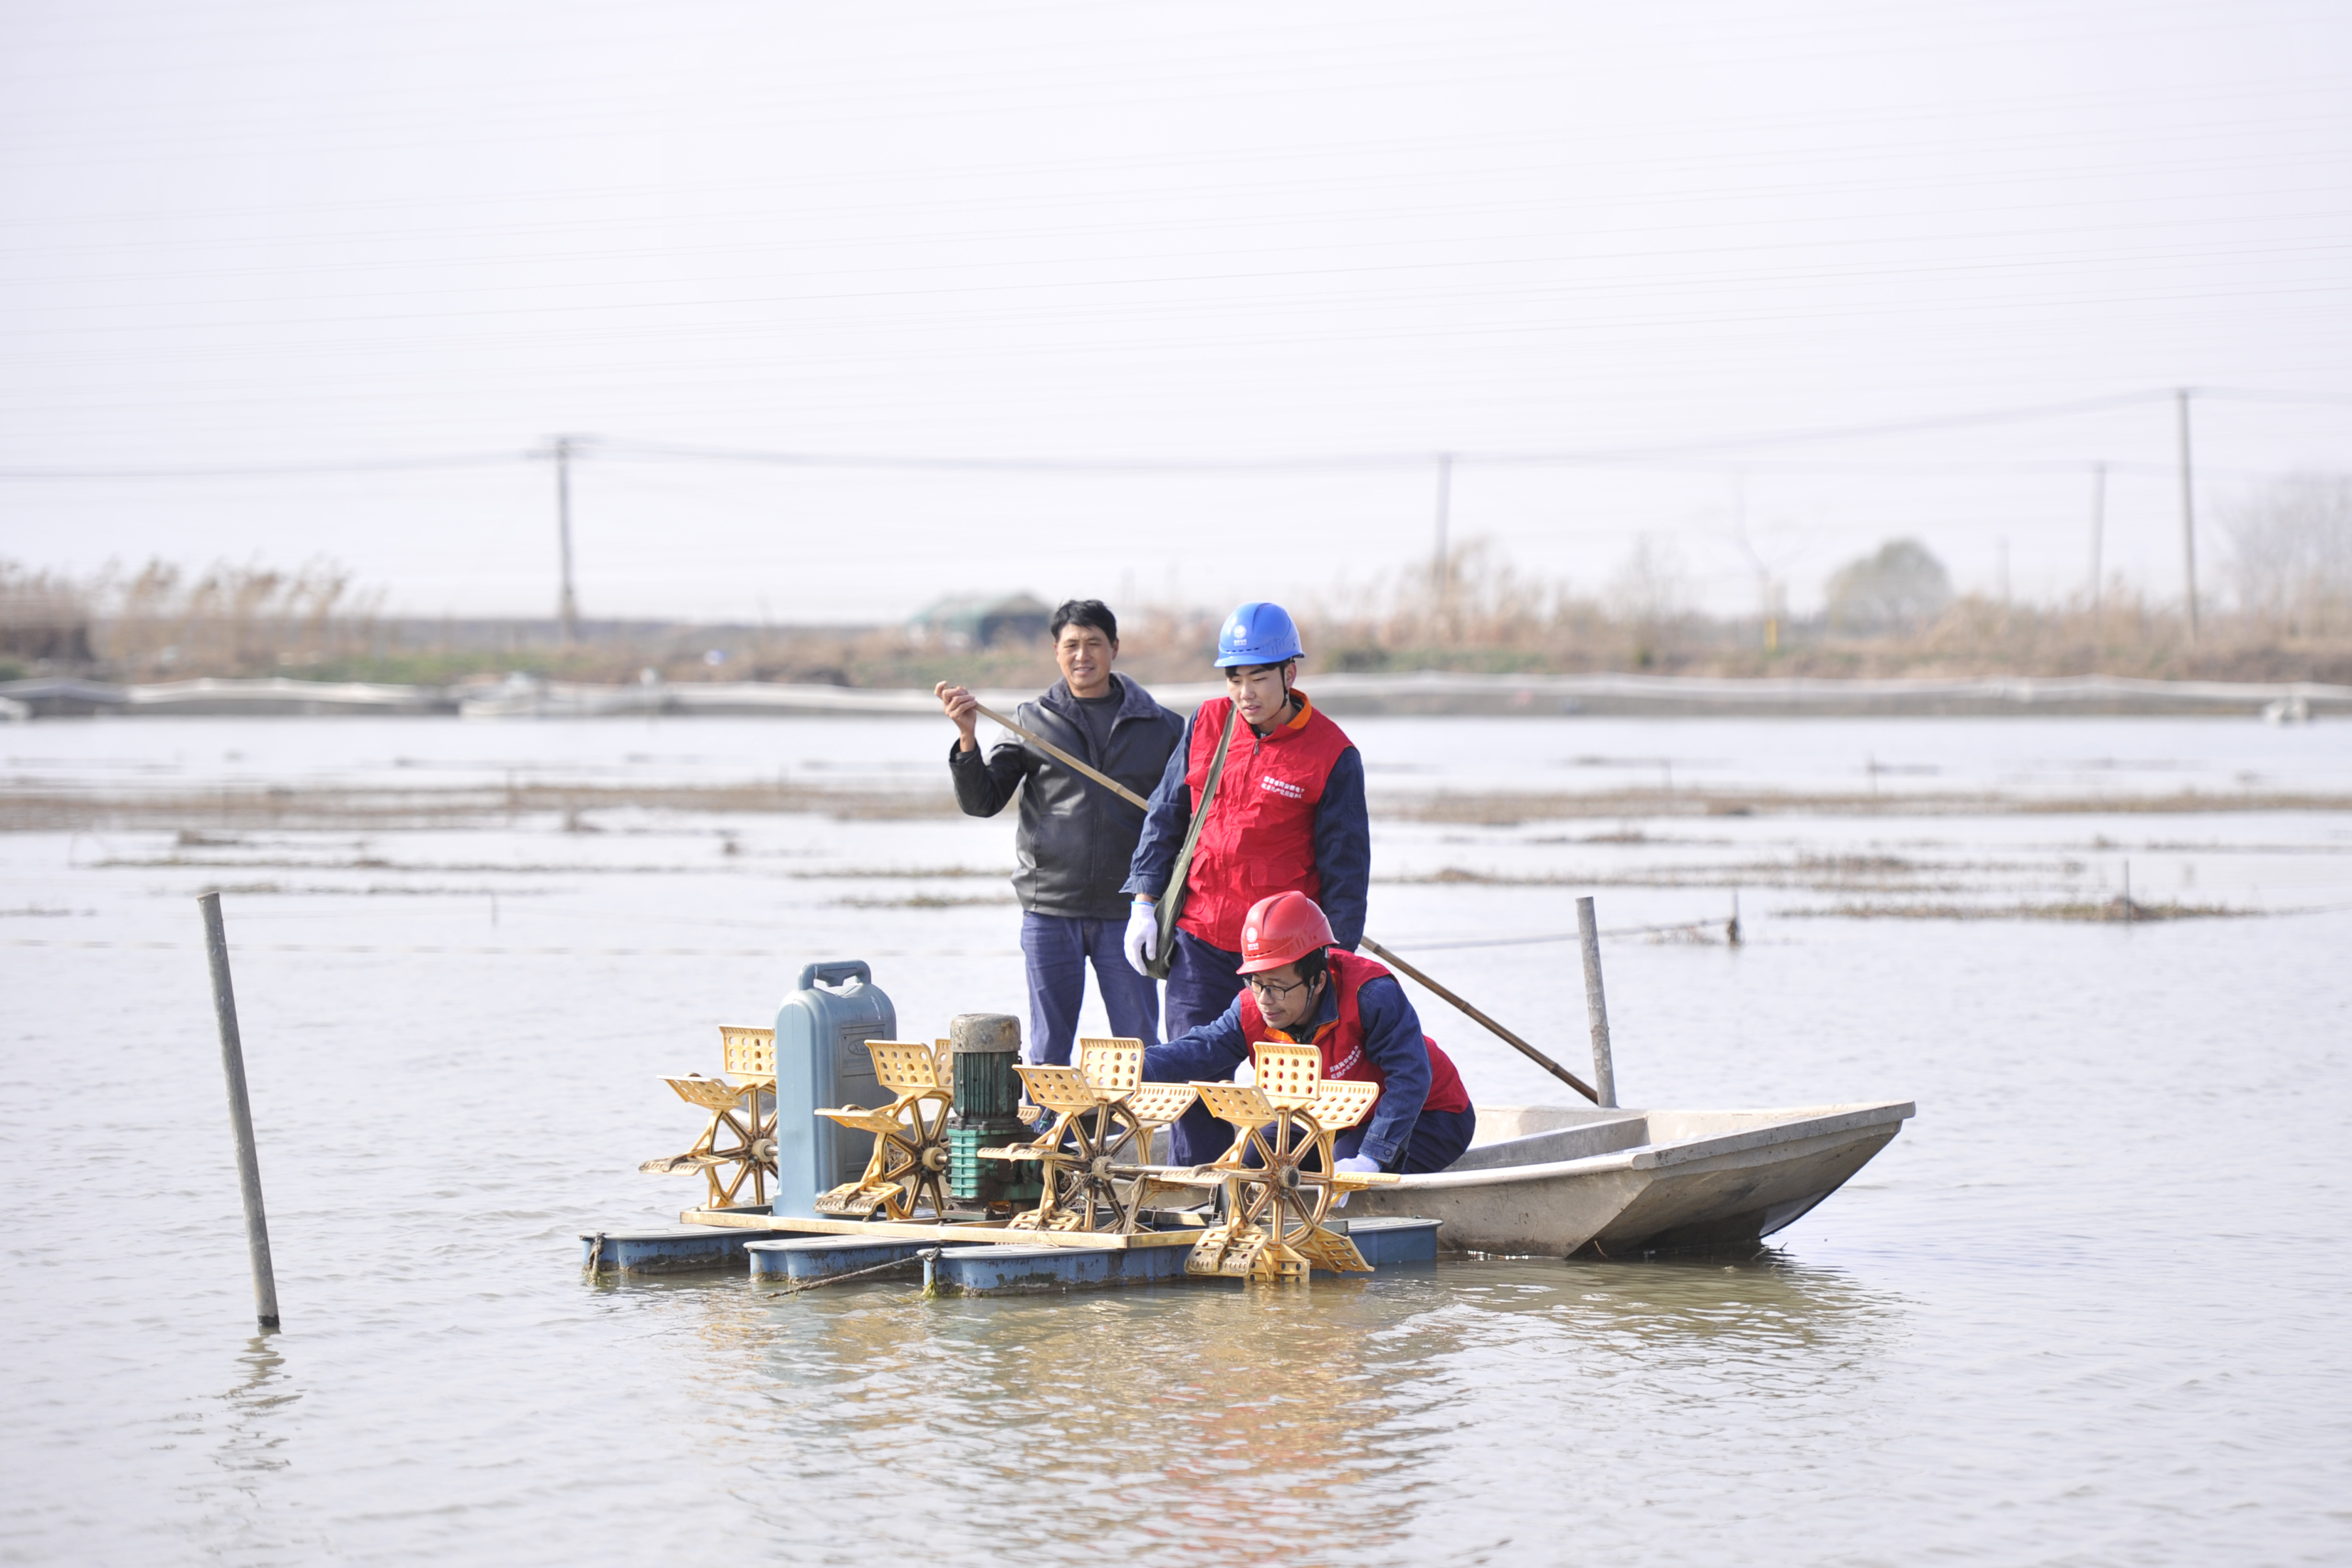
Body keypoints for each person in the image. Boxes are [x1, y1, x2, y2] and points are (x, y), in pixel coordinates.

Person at [937, 599, 1183, 1066]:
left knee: (1139, 1044)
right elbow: (983, 802)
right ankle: (1051, 1132)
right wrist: (968, 738)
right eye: (1071, 645)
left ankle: (1143, 1134)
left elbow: (1185, 819)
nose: (1082, 655)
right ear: (1056, 651)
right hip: (1049, 909)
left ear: (1114, 648)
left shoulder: (1163, 727)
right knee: (1048, 1048)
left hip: (1130, 912)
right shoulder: (1030, 722)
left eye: (1094, 643)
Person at [1120, 601, 1369, 1054]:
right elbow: (1164, 816)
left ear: (1289, 675)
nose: (1245, 692)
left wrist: (1337, 961)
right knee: (1191, 1078)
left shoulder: (1333, 754)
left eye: (1258, 678)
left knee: (1287, 1090)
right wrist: (1143, 903)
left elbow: (1346, 877)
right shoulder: (1207, 722)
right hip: (1199, 942)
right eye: (1234, 678)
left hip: (1284, 957)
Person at [1143, 891, 1476, 1171]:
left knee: (1343, 1170)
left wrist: (1371, 1159)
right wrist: (1133, 1066)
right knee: (1252, 1168)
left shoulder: (1371, 996)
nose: (1264, 1000)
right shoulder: (1251, 1007)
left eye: (1277, 987)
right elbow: (1196, 1050)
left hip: (1430, 1115)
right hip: (1326, 1116)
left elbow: (1411, 1078)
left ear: (1317, 980)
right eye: (1255, 982)